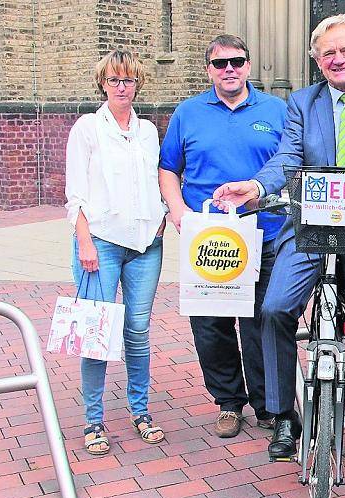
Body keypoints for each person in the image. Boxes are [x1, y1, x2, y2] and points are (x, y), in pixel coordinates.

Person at [212, 14, 345, 482]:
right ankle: (283, 416)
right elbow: (288, 157)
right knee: (274, 309)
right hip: (312, 224)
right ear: (316, 60)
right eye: (328, 53)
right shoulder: (303, 102)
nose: (338, 59)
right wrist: (256, 186)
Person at [159, 35, 288, 438]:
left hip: (265, 234)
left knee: (261, 322)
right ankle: (229, 402)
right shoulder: (188, 113)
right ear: (209, 70)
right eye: (220, 63)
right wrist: (177, 209)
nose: (229, 69)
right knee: (211, 326)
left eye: (237, 61)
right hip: (208, 239)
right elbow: (168, 168)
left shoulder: (277, 110)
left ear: (248, 65)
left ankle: (269, 405)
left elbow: (290, 164)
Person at [65, 50, 166, 455]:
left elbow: (155, 179)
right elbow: (75, 193)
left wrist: (161, 215)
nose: (121, 87)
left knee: (137, 332)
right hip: (101, 243)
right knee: (97, 332)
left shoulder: (147, 131)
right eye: (113, 80)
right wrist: (84, 241)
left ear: (138, 84)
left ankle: (140, 411)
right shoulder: (87, 128)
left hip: (145, 245)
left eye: (128, 80)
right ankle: (94, 419)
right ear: (102, 84)